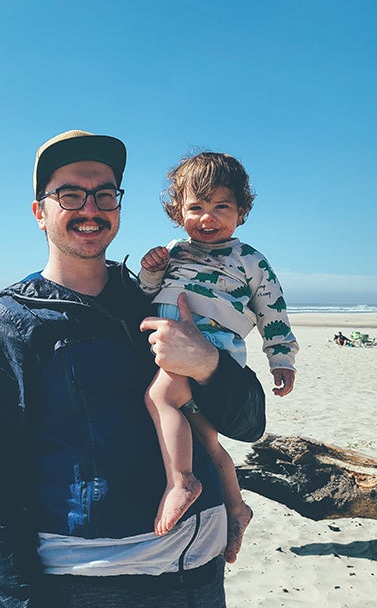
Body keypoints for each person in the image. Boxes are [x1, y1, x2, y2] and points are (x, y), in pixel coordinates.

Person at [0, 131, 267, 607]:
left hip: (201, 569)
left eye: (105, 194)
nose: (90, 208)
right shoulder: (9, 323)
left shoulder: (156, 298)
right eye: (69, 195)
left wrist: (207, 363)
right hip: (97, 582)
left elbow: (249, 423)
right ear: (40, 213)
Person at [138, 152, 298, 557]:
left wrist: (282, 359)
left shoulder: (249, 260)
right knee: (207, 439)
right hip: (169, 343)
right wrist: (152, 270)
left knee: (158, 398)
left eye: (221, 207)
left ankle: (182, 481)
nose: (207, 219)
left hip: (211, 349)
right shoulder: (176, 250)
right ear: (178, 212)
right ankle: (237, 507)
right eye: (196, 208)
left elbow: (272, 311)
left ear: (241, 212)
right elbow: (144, 292)